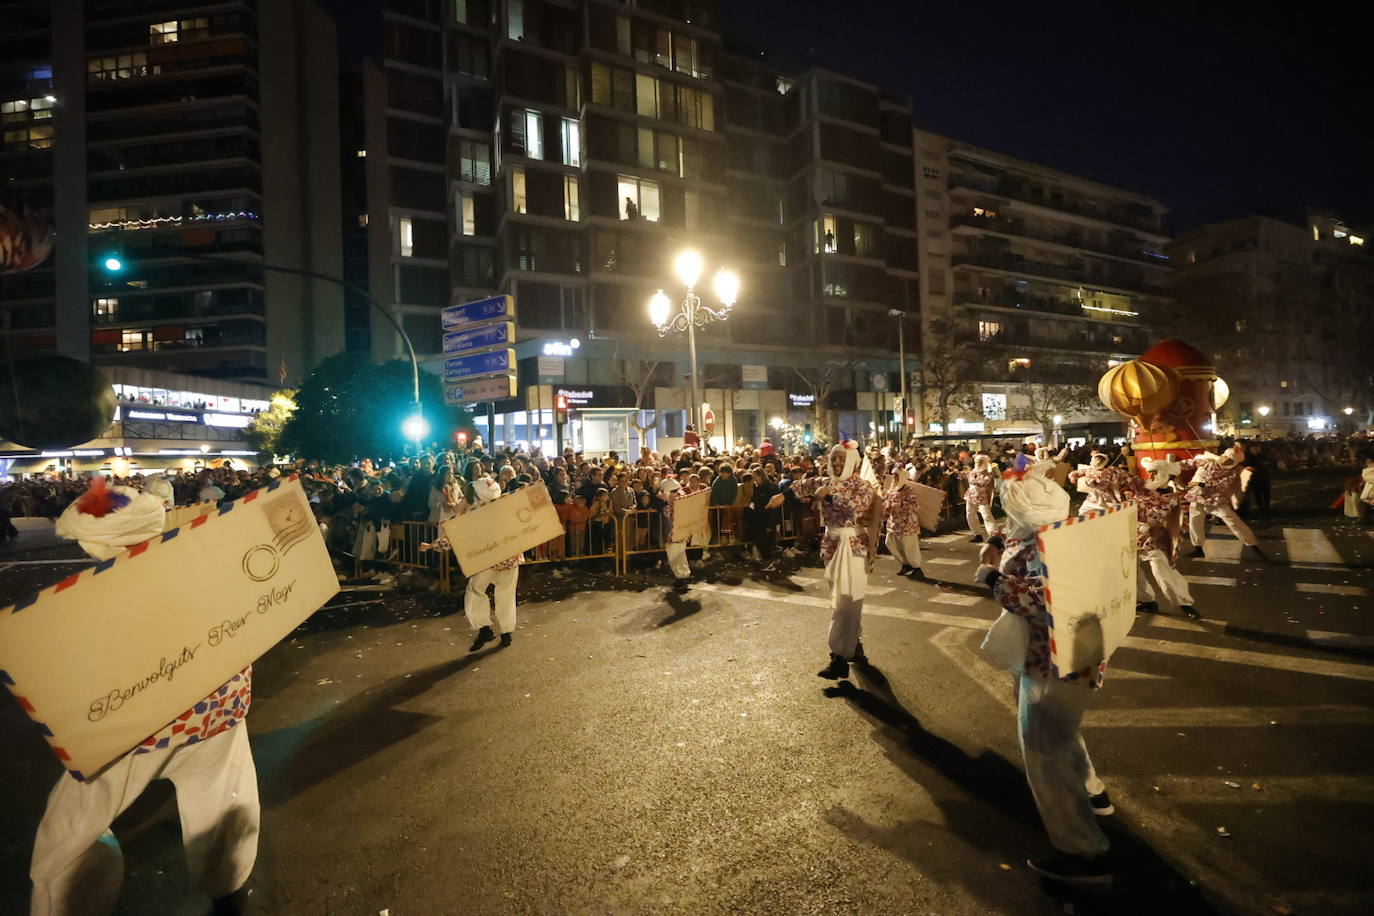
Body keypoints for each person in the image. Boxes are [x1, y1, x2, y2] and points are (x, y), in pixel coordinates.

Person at [31, 477, 258, 915]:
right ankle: (230, 901)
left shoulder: (93, 597)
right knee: (221, 811)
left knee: (69, 831)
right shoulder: (205, 564)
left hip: (133, 730)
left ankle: (62, 903)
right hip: (219, 716)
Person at [974, 460, 1114, 886]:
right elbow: (1013, 534)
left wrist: (992, 579)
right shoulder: (1066, 528)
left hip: (1053, 659)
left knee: (1043, 748)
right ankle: (1093, 792)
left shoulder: (1048, 546)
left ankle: (1083, 854)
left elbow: (1041, 600)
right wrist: (997, 541)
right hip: (1064, 654)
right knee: (1061, 734)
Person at [767, 438, 882, 679]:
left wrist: (828, 497)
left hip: (853, 546)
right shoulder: (824, 481)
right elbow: (804, 485)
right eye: (834, 458)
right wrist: (783, 497)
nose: (837, 462)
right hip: (831, 545)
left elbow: (855, 509)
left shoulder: (861, 486)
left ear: (852, 461)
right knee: (841, 600)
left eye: (842, 458)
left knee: (846, 602)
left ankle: (839, 656)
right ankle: (854, 645)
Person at [1132, 456, 1198, 618]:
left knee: (1162, 573)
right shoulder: (1140, 491)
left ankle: (1184, 604)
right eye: (1150, 473)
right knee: (1130, 570)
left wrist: (1198, 484)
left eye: (1155, 473)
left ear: (1166, 475)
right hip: (1133, 536)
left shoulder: (1174, 498)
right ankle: (1146, 600)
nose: (1151, 477)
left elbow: (1187, 500)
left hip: (1155, 538)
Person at [464, 478, 521, 651]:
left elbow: (459, 535)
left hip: (488, 561)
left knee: (475, 591)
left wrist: (435, 545)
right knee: (506, 595)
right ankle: (506, 633)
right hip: (510, 559)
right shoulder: (508, 506)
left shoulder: (477, 513)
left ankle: (485, 629)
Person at [1183, 445, 1265, 559]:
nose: (1225, 461)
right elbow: (1187, 463)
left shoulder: (1232, 472)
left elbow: (1221, 486)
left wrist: (1199, 484)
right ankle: (1198, 549)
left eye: (1229, 460)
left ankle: (1253, 546)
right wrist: (1168, 467)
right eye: (1225, 457)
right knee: (1195, 523)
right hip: (1197, 497)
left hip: (1216, 500)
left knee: (1233, 521)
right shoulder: (1206, 461)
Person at [883, 465, 926, 580]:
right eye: (894, 475)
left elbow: (913, 506)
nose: (894, 477)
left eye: (896, 475)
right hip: (894, 523)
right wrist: (886, 508)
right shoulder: (892, 487)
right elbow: (887, 501)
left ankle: (917, 568)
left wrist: (897, 507)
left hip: (907, 523)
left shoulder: (908, 489)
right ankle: (905, 564)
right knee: (890, 543)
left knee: (910, 546)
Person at [961, 453, 997, 543]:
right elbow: (970, 479)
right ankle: (976, 534)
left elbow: (984, 482)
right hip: (971, 495)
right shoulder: (973, 471)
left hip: (982, 495)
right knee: (970, 514)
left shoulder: (989, 471)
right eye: (977, 461)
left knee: (986, 515)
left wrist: (972, 480)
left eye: (980, 461)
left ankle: (994, 535)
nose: (978, 463)